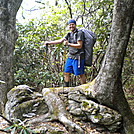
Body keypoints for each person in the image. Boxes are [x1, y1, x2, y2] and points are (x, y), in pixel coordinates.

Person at [44, 19, 86, 87]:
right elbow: (60, 41)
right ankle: (66, 88)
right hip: (70, 56)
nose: (71, 26)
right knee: (66, 72)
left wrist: (68, 44)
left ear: (75, 25)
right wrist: (49, 43)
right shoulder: (69, 34)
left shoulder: (79, 33)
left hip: (78, 57)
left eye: (73, 24)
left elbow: (79, 45)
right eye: (70, 25)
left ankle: (85, 88)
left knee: (80, 73)